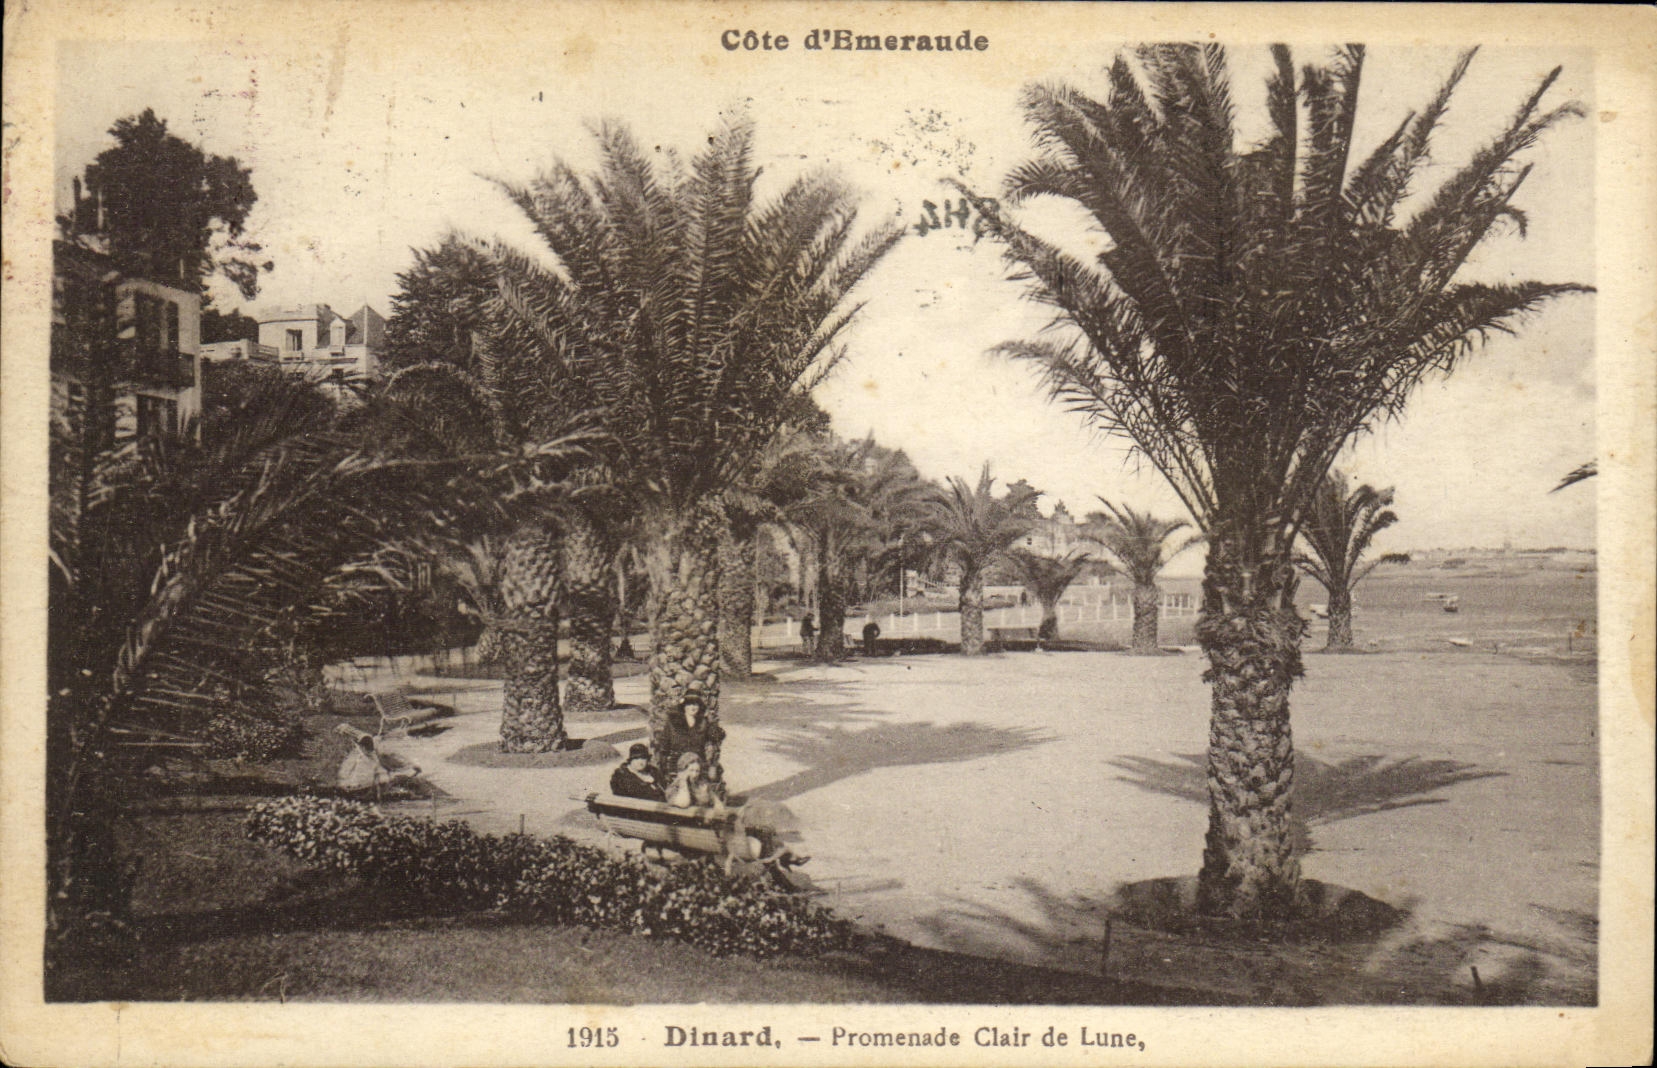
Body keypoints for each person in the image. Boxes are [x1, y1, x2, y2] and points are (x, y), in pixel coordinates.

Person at [660, 693, 724, 773]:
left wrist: (711, 721)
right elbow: (664, 744)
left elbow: (717, 736)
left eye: (695, 705)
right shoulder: (673, 722)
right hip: (676, 763)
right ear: (684, 707)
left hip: (697, 764)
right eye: (689, 704)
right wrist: (664, 766)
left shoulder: (703, 722)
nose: (692, 707)